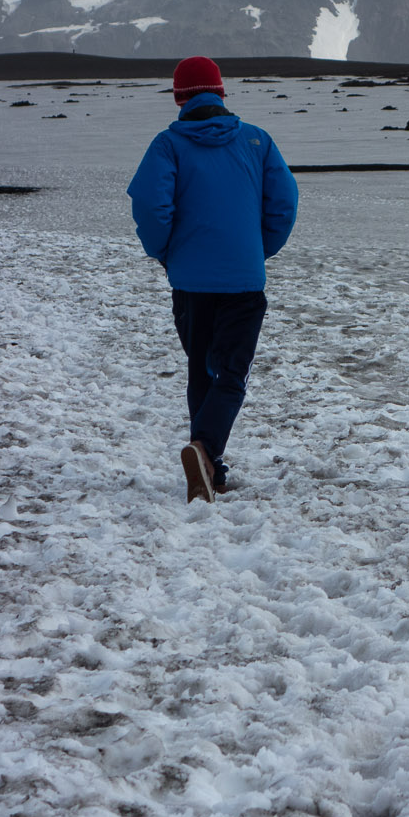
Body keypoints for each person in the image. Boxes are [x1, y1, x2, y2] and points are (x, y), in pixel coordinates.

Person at [127, 56, 298, 502]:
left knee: (202, 370)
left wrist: (164, 252)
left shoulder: (168, 145)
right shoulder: (257, 142)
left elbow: (149, 206)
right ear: (222, 92)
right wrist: (257, 250)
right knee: (231, 374)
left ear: (179, 97)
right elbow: (284, 204)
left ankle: (209, 464)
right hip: (243, 281)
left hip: (190, 283)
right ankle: (205, 452)